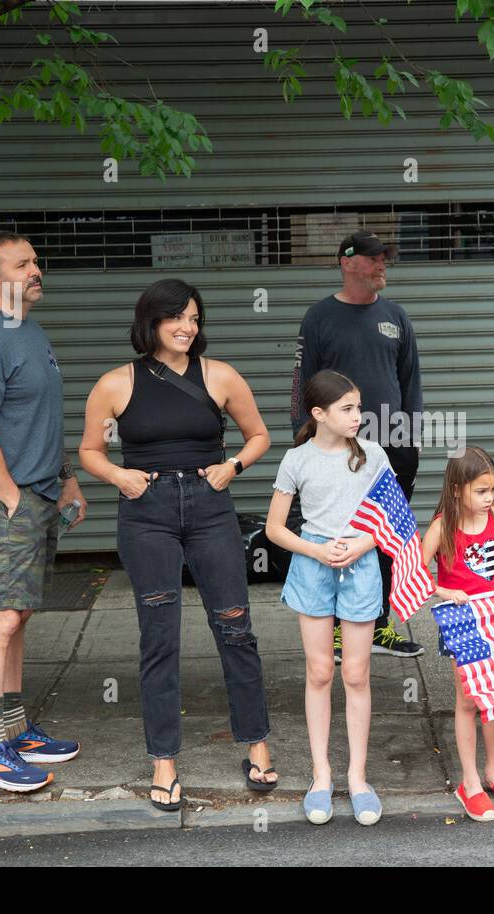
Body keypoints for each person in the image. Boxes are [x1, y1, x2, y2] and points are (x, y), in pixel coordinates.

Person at [78, 278, 276, 810]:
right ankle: (164, 762)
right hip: (147, 512)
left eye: (194, 318)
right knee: (159, 635)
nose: (188, 327)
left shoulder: (222, 375)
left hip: (211, 508)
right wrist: (119, 477)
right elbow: (90, 450)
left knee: (235, 625)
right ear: (152, 322)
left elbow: (260, 435)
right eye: (176, 318)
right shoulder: (116, 383)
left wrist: (232, 466)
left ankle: (257, 744)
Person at [0, 231, 84, 792]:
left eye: (36, 260)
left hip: (40, 493)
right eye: (23, 263)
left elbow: (41, 419)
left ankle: (16, 729)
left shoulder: (28, 332)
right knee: (0, 617)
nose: (36, 269)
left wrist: (68, 480)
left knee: (19, 615)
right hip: (5, 501)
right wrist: (10, 497)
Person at [290, 231, 424, 662]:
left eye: (386, 258)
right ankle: (331, 631)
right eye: (374, 259)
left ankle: (377, 625)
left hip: (392, 446)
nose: (383, 264)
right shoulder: (319, 317)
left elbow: (410, 383)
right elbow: (302, 384)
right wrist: (305, 439)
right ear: (347, 263)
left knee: (383, 537)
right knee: (333, 533)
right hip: (334, 449)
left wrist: (411, 439)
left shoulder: (396, 316)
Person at [268, 370, 388, 826]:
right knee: (320, 672)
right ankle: (322, 776)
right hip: (313, 567)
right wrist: (316, 549)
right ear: (319, 414)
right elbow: (275, 529)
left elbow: (392, 519)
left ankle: (358, 778)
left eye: (358, 407)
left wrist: (362, 543)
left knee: (356, 673)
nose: (358, 416)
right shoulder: (297, 460)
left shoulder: (373, 455)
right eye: (347, 409)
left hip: (360, 567)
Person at [421, 446, 494, 822]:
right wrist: (444, 590)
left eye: (493, 490)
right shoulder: (441, 527)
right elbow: (416, 575)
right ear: (457, 490)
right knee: (469, 698)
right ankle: (469, 783)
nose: (490, 499)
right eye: (481, 492)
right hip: (462, 617)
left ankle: (493, 772)